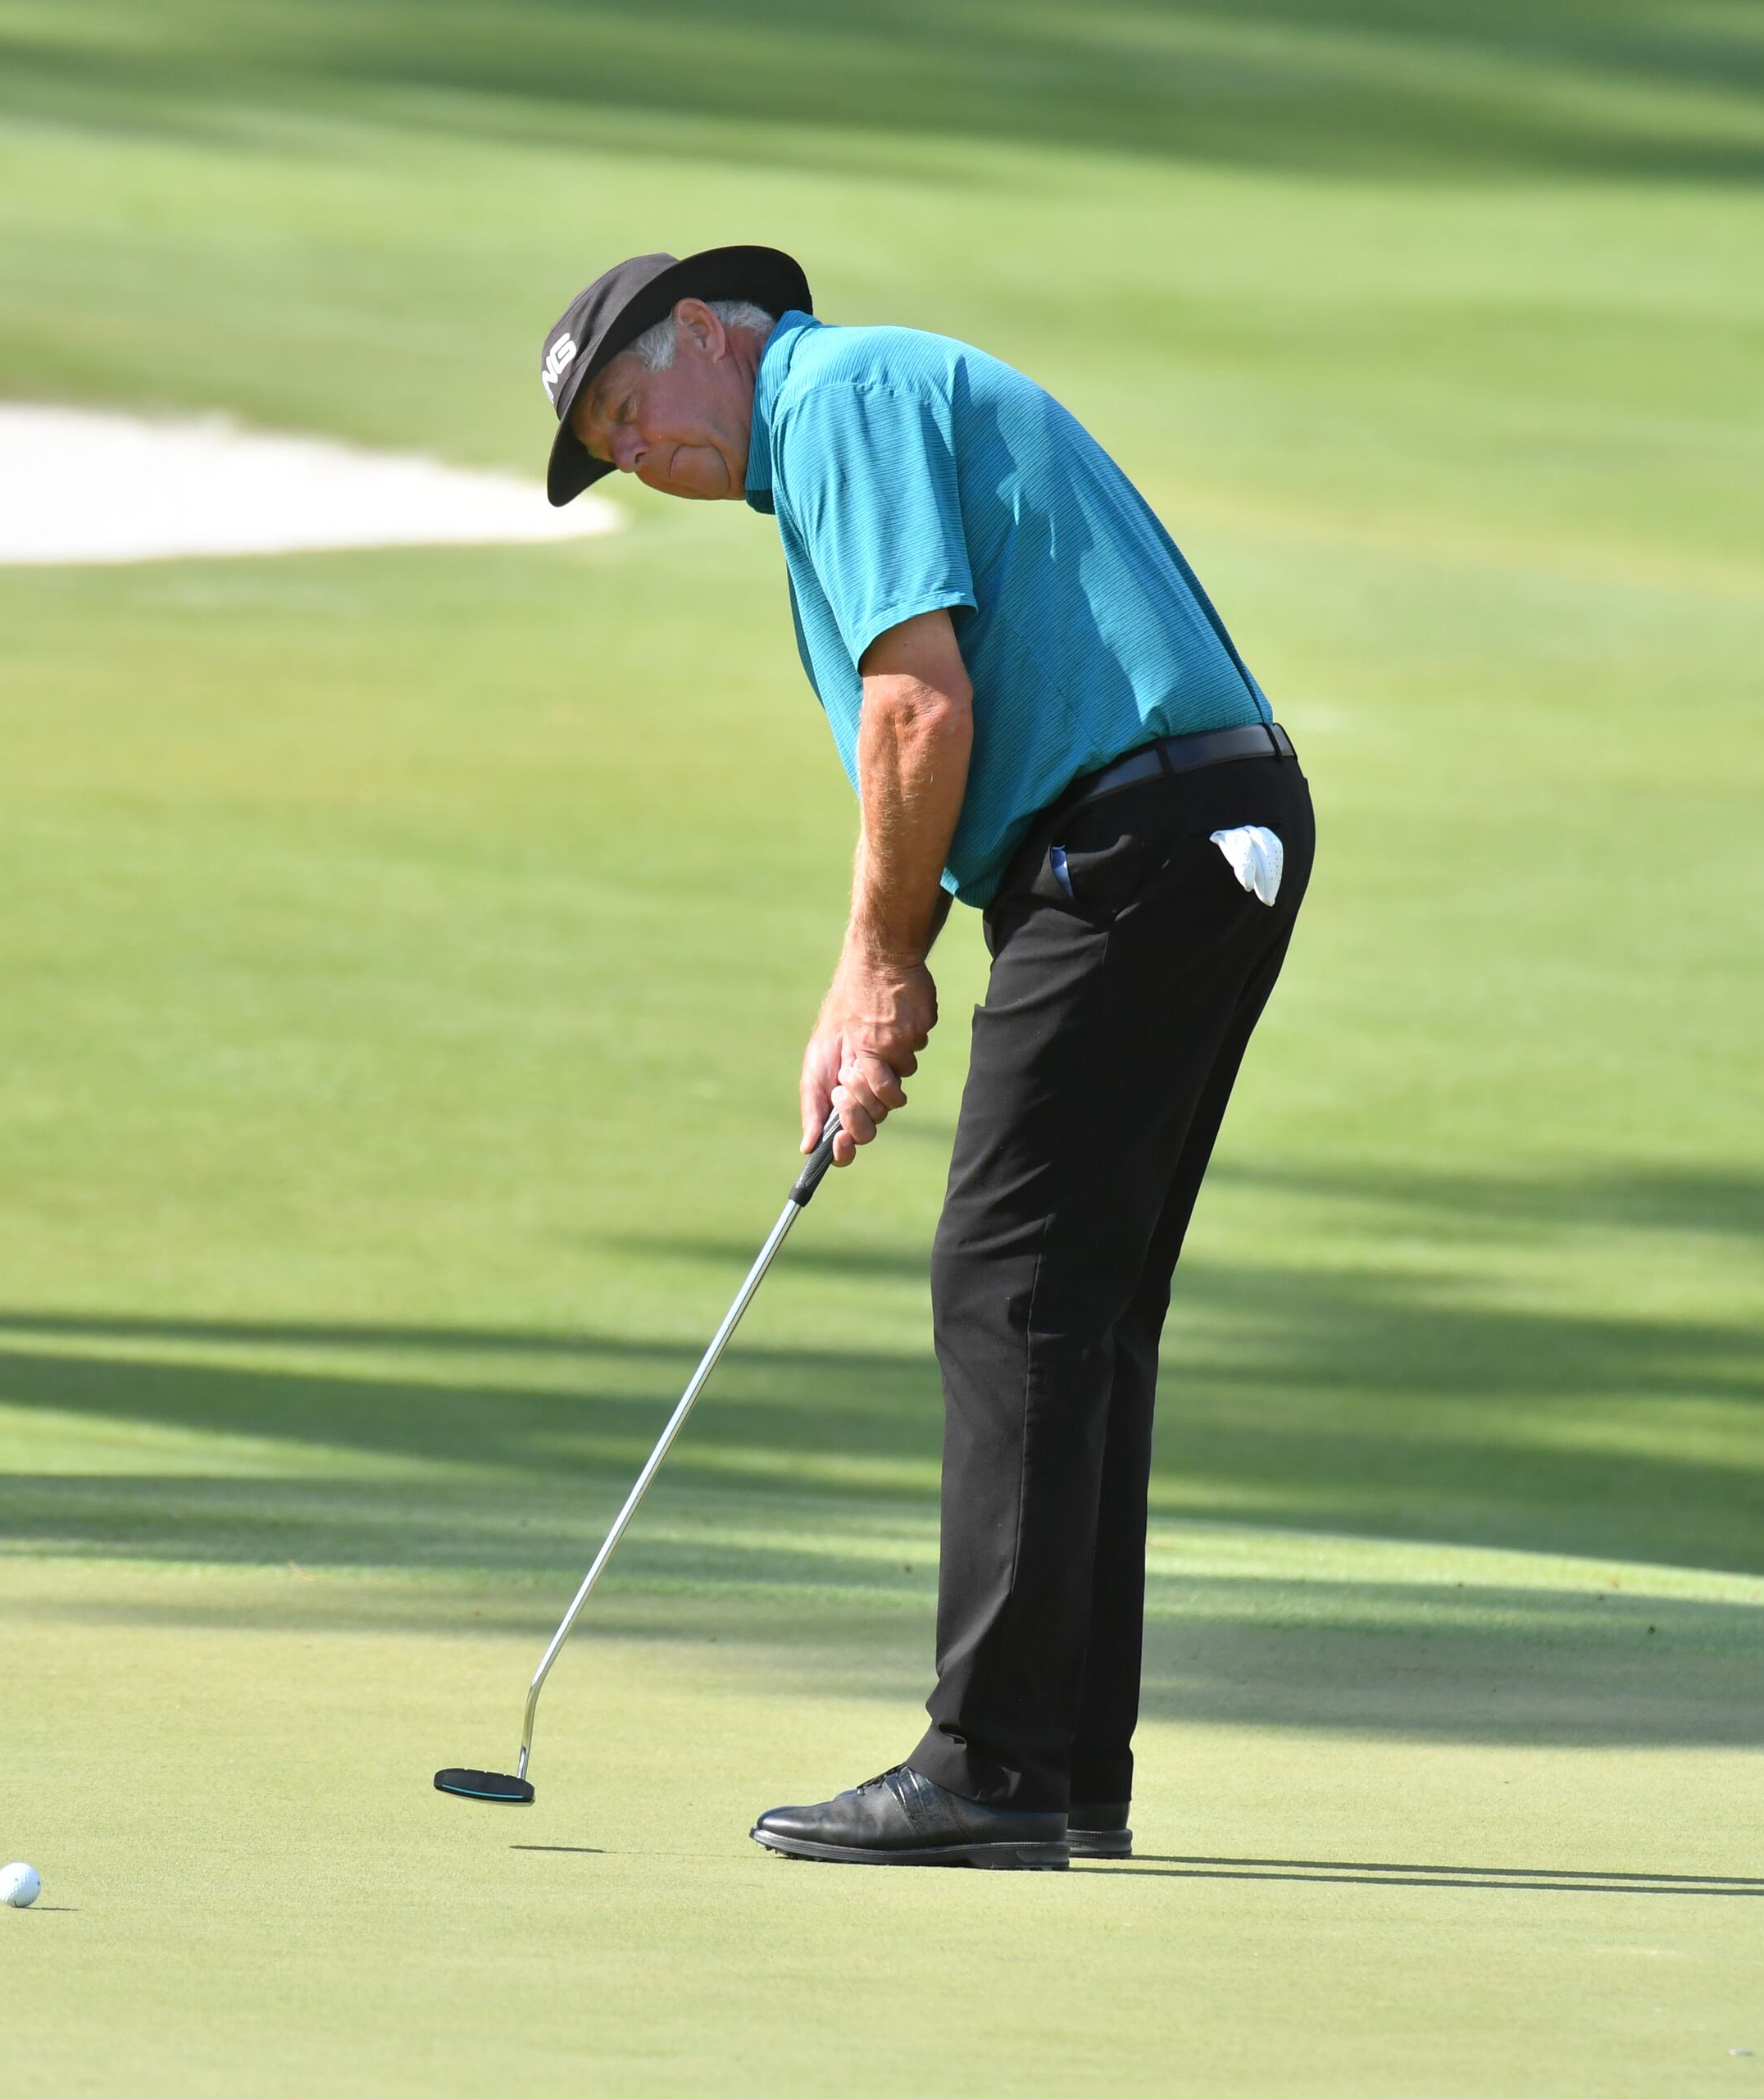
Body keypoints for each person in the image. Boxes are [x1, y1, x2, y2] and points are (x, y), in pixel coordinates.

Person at [535, 248, 1315, 1869]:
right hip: (1185, 828)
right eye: (612, 449)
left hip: (1137, 837)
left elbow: (918, 709)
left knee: (1008, 1281)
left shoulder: (838, 396)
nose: (641, 454)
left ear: (704, 329)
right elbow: (929, 733)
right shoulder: (844, 420)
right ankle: (1065, 1761)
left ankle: (991, 1766)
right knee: (1077, 1302)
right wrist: (885, 964)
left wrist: (879, 965)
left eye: (630, 409)